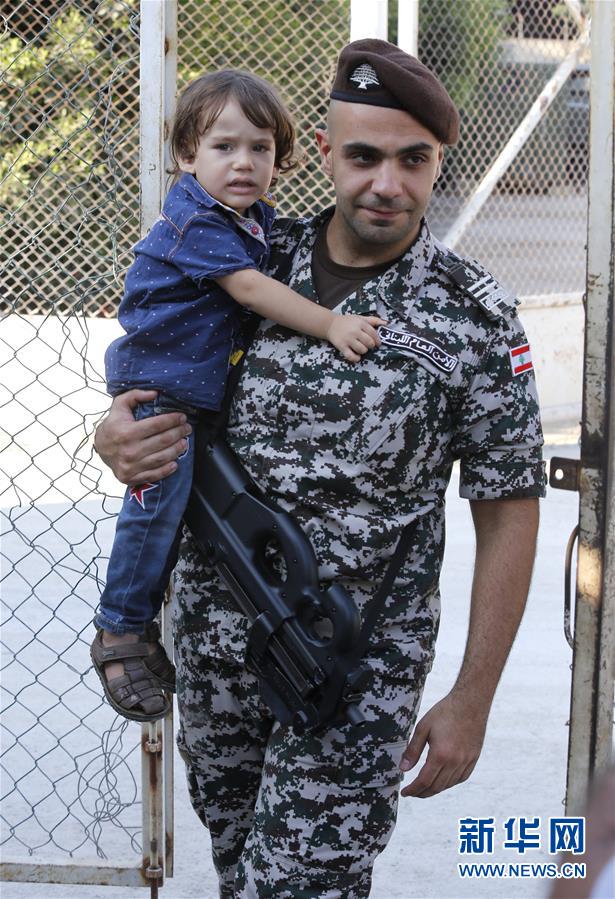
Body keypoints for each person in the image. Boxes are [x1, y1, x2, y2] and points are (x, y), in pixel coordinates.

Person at [94, 39, 546, 899]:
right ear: (328, 154)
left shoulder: (473, 319)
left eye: (413, 160)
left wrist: (471, 696)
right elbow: (152, 377)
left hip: (350, 667)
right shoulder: (243, 258)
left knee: (298, 885)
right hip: (216, 651)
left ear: (437, 162)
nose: (387, 184)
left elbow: (508, 508)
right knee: (240, 871)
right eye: (364, 156)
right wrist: (113, 435)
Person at [91, 69, 384, 723]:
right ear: (186, 156)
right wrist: (331, 324)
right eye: (224, 147)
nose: (245, 162)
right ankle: (120, 632)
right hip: (163, 399)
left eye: (260, 148)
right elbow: (251, 290)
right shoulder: (197, 220)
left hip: (195, 395)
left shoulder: (247, 220)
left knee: (177, 516)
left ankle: (138, 625)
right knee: (155, 513)